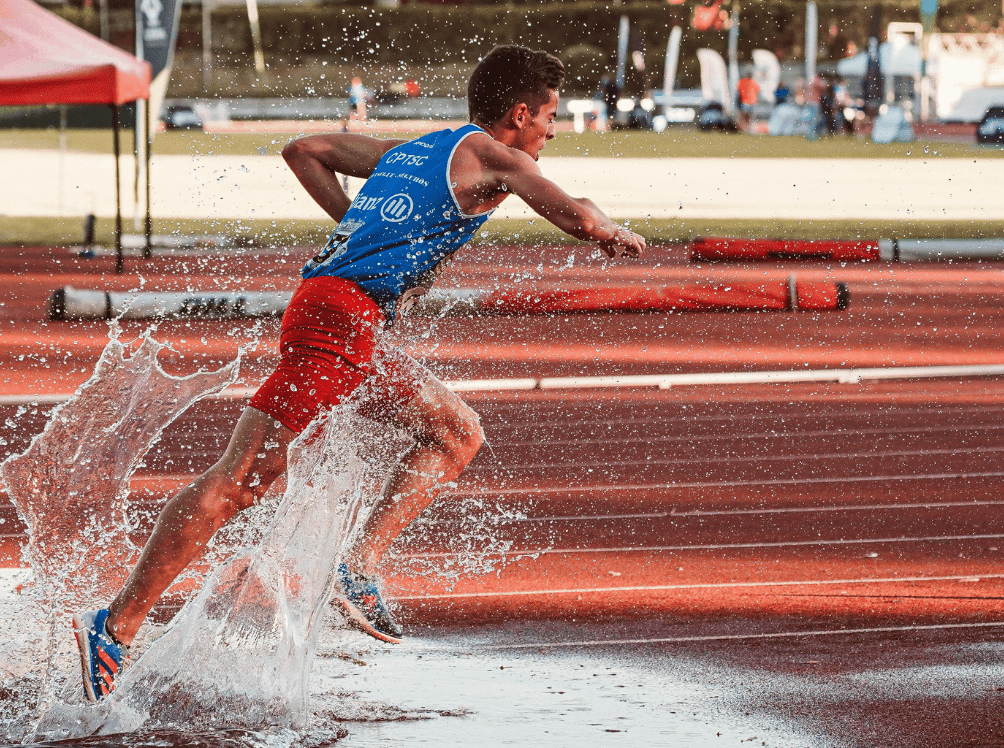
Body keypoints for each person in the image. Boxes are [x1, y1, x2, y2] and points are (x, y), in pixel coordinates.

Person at [73, 44, 645, 703]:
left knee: (455, 432)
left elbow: (305, 151)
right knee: (240, 482)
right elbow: (575, 216)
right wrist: (611, 233)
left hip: (346, 323)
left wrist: (357, 226)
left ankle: (358, 567)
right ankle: (115, 624)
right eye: (550, 117)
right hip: (337, 324)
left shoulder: (420, 150)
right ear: (519, 113)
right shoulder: (499, 157)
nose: (553, 131)